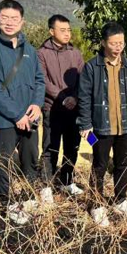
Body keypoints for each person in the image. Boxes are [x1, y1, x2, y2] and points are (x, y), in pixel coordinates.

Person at [0, 0, 46, 224]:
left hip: (30, 117)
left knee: (30, 159)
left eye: (14, 18)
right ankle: (7, 204)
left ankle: (28, 197)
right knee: (4, 162)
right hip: (4, 118)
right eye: (4, 18)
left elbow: (39, 80)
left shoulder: (30, 50)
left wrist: (37, 104)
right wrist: (16, 115)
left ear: (22, 21)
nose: (9, 22)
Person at [77, 21, 127, 227]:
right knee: (99, 166)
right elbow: (84, 97)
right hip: (101, 127)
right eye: (113, 43)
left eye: (121, 43)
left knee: (123, 164)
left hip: (125, 126)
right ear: (103, 43)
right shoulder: (92, 67)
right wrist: (85, 124)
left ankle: (120, 200)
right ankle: (96, 204)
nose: (118, 47)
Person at [37, 15, 85, 196]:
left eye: (69, 30)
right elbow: (43, 80)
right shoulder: (42, 53)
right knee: (51, 148)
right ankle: (46, 186)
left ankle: (67, 181)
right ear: (52, 31)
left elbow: (83, 79)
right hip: (53, 108)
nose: (67, 34)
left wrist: (75, 97)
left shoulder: (75, 53)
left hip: (74, 109)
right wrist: (63, 98)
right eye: (62, 30)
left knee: (72, 147)